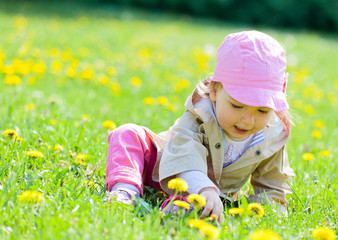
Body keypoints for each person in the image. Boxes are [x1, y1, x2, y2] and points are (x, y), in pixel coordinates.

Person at [105, 30, 295, 220]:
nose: (248, 120)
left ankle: (180, 209)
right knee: (127, 134)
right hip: (162, 168)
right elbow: (185, 154)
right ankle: (125, 190)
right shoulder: (200, 115)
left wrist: (269, 214)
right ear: (214, 90)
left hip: (208, 197)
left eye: (262, 111)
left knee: (200, 204)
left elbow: (273, 184)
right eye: (237, 106)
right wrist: (204, 187)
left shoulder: (272, 134)